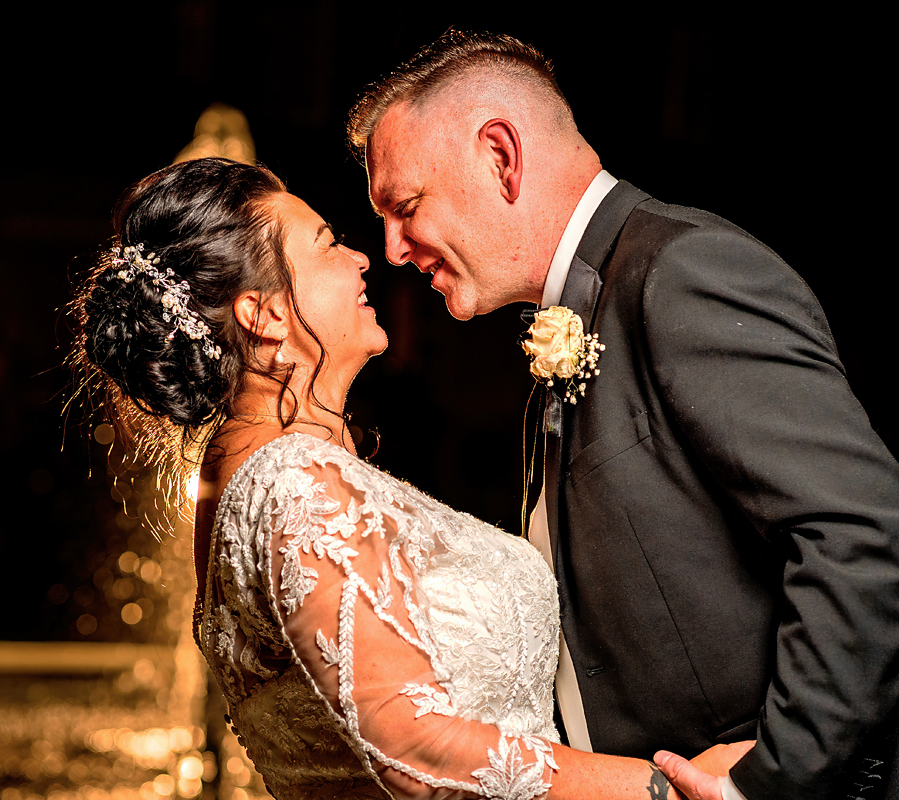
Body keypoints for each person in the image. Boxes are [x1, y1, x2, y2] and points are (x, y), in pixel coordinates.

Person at [69, 156, 751, 799]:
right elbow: (414, 752)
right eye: (327, 243)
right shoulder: (293, 483)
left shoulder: (251, 471)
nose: (362, 257)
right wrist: (665, 788)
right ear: (266, 314)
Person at [346, 30, 899, 800]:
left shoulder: (680, 273)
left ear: (501, 156)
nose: (394, 249)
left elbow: (863, 528)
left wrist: (772, 779)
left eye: (406, 207)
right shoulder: (571, 321)